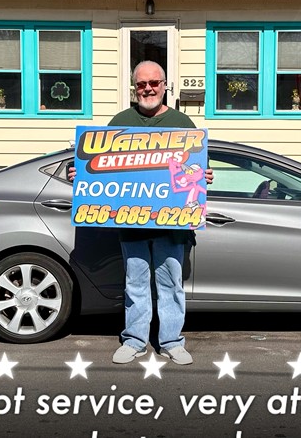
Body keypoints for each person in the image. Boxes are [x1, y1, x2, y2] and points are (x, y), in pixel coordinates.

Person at [70, 61, 212, 365]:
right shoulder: (120, 121)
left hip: (173, 224)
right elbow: (102, 168)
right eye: (142, 84)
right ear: (134, 87)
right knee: (135, 283)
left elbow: (191, 167)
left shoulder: (182, 123)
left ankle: (171, 341)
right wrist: (81, 175)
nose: (148, 88)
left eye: (155, 83)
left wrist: (202, 174)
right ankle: (134, 340)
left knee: (171, 284)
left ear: (165, 86)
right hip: (131, 222)